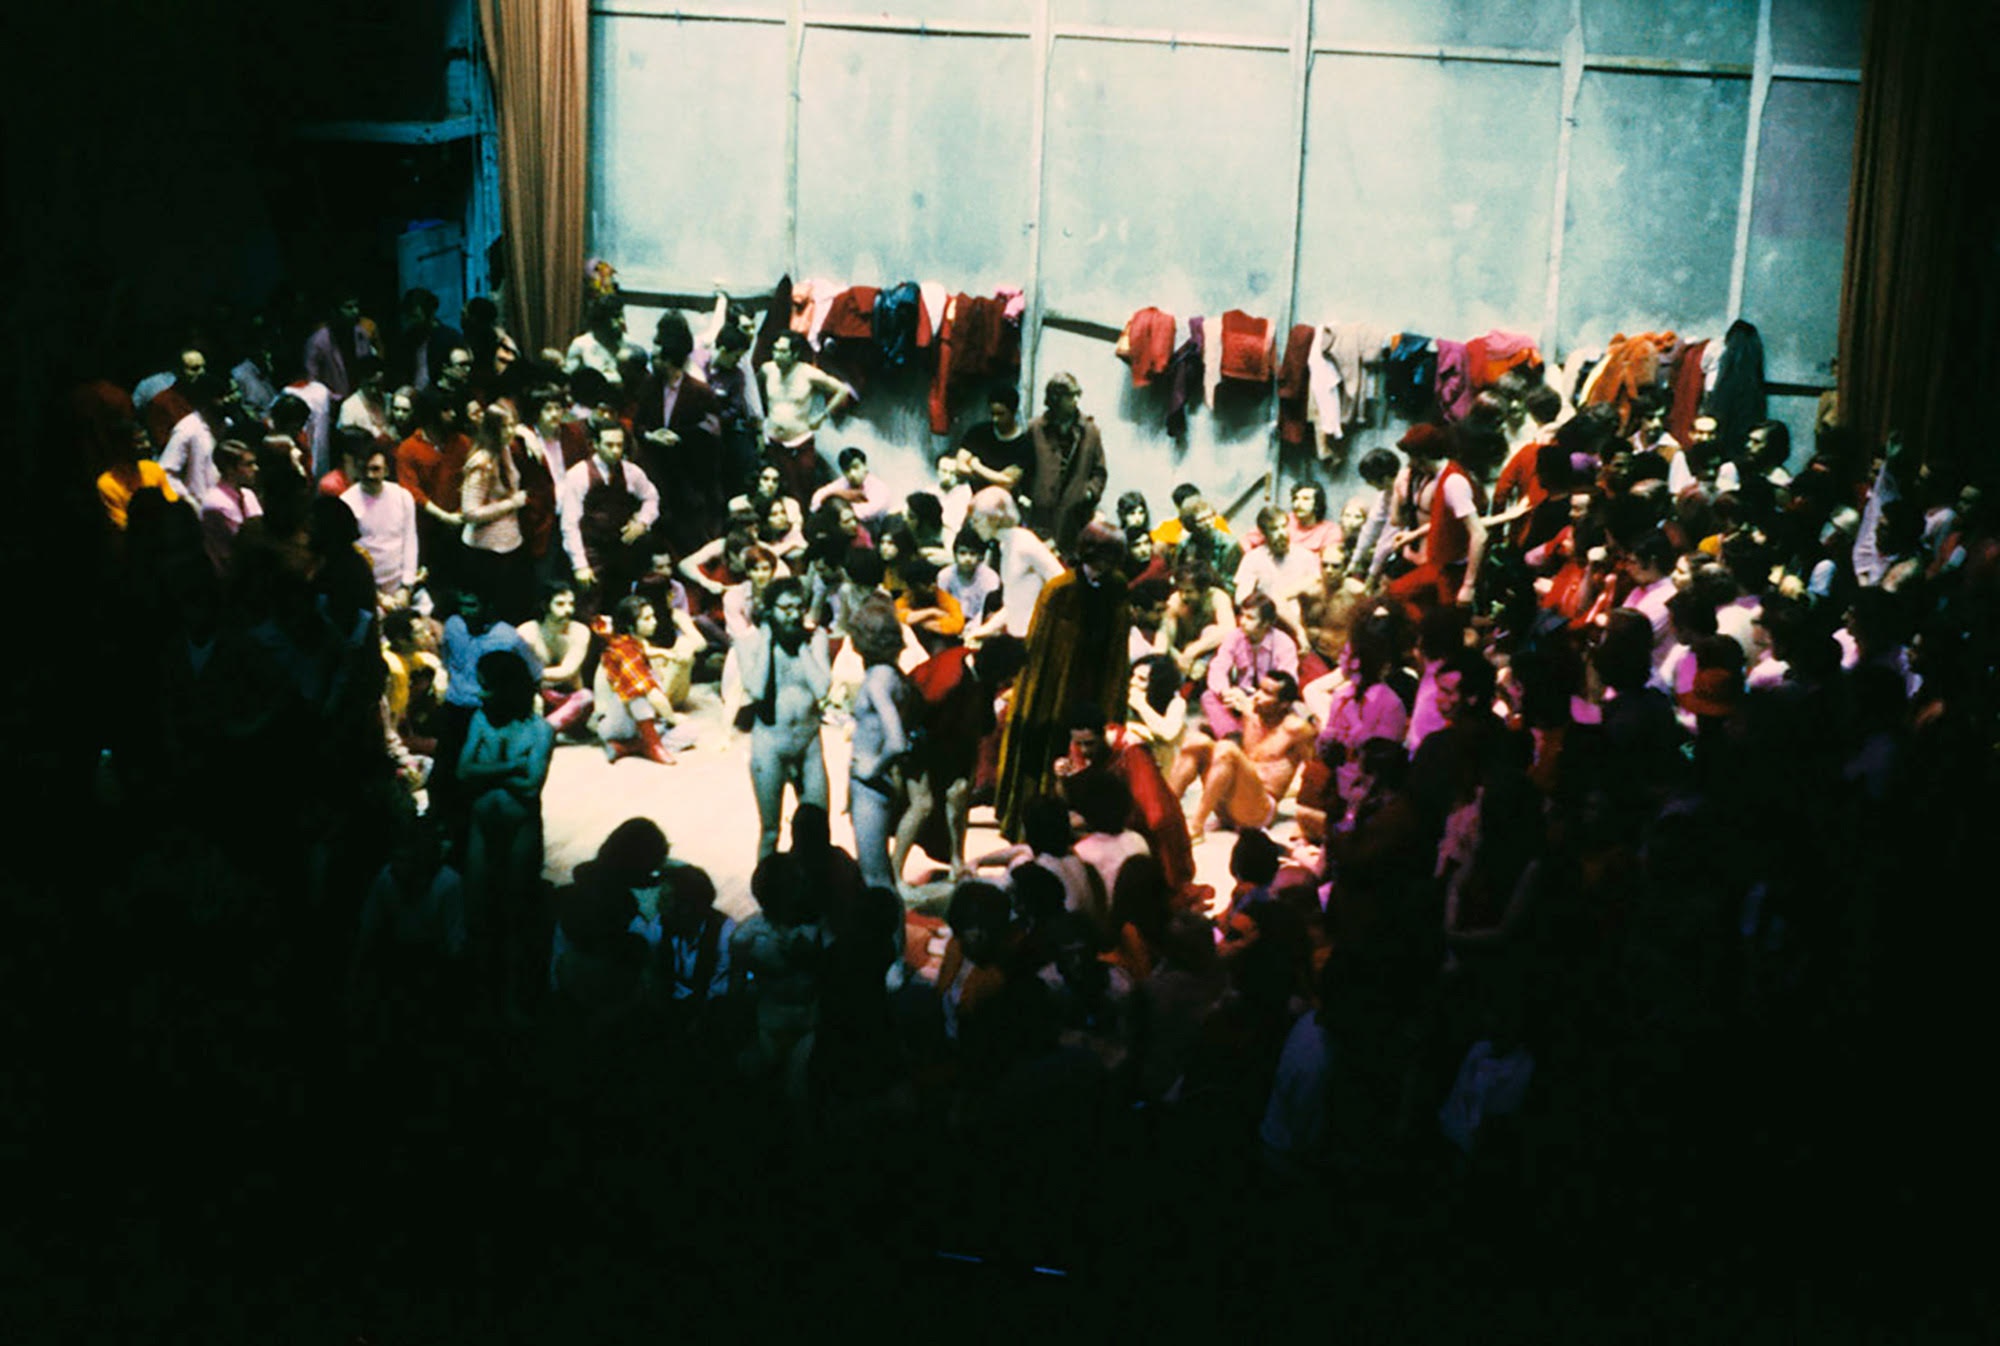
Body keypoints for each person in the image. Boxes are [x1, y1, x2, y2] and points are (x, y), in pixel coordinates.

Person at [995, 521, 1132, 841]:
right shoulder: (1060, 591)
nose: (1103, 569)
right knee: (1048, 750)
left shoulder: (1117, 588)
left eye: (1110, 562)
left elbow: (1117, 646)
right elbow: (1040, 651)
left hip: (1097, 684)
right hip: (1055, 691)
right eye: (1098, 560)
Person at [457, 649, 555, 1017]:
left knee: (516, 913)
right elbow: (463, 771)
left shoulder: (540, 730)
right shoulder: (481, 720)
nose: (480, 695)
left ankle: (515, 996)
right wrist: (512, 764)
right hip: (482, 828)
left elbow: (530, 787)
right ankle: (481, 995)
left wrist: (488, 769)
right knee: (478, 911)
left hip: (520, 831)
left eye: (487, 687)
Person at [736, 577, 832, 859]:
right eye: (785, 608)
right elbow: (755, 689)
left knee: (818, 829)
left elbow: (821, 688)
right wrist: (767, 641)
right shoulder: (750, 642)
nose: (793, 615)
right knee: (770, 831)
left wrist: (800, 646)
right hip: (770, 746)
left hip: (809, 745)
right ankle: (767, 885)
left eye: (798, 608)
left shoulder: (815, 639)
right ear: (769, 610)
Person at [1167, 670, 1315, 840]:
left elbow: (1314, 769)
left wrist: (1305, 821)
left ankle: (1196, 827)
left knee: (1226, 748)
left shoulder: (1297, 729)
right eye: (1259, 689)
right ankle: (1165, 814)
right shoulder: (1251, 711)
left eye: (1267, 693)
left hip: (1258, 810)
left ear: (1284, 705)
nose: (1257, 696)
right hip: (1228, 804)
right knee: (1196, 741)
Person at [846, 595, 914, 892]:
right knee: (880, 873)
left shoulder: (877, 680)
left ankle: (888, 925)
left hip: (871, 784)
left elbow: (897, 742)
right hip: (881, 781)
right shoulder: (894, 675)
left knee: (875, 879)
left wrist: (871, 768)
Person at [560, 417, 661, 609]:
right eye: (609, 445)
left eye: (619, 445)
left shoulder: (632, 472)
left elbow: (652, 498)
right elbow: (569, 524)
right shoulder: (578, 475)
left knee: (620, 604)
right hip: (590, 550)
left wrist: (642, 523)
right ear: (595, 445)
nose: (615, 450)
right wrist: (580, 564)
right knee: (588, 606)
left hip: (621, 550)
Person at [760, 331, 852, 506]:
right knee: (774, 492)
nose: (777, 355)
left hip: (800, 441)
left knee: (802, 491)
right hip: (774, 441)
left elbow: (842, 390)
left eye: (783, 351)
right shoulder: (767, 370)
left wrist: (822, 416)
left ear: (795, 354)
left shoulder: (809, 374)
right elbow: (756, 395)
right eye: (775, 350)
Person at [592, 594, 684, 764]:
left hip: (638, 721)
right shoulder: (623, 650)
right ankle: (653, 745)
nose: (654, 622)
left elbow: (644, 651)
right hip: (615, 723)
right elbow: (651, 694)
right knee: (639, 694)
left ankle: (630, 747)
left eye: (653, 616)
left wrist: (662, 652)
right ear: (630, 625)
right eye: (647, 619)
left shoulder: (634, 642)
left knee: (690, 732)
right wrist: (672, 718)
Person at [964, 486, 1063, 642]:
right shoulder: (1005, 546)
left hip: (1035, 637)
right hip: (1017, 636)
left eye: (976, 520)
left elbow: (1061, 582)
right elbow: (1013, 603)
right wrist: (984, 630)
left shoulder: (1025, 542)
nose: (974, 526)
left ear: (994, 519)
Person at [1023, 371, 1107, 553]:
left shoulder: (1089, 431)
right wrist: (1034, 494)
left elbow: (1099, 471)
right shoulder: (1035, 429)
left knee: (1070, 560)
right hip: (1041, 515)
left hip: (1074, 517)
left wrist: (1087, 493)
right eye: (1070, 396)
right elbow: (1024, 466)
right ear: (1055, 398)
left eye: (1077, 395)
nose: (1076, 400)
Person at [1202, 593, 1300, 740]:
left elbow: (1287, 684)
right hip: (1240, 694)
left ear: (1266, 623)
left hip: (1268, 698)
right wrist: (1226, 692)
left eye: (1250, 618)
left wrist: (1254, 700)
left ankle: (1258, 734)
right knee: (1208, 696)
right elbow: (1218, 668)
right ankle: (1233, 737)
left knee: (1289, 709)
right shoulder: (1234, 637)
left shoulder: (1284, 643)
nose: (1242, 621)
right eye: (1242, 615)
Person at [340, 444, 420, 606]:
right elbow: (346, 553)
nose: (370, 475)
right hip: (364, 588)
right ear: (357, 470)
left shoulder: (403, 497)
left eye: (375, 469)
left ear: (386, 471)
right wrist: (378, 597)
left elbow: (410, 541)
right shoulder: (345, 502)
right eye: (364, 469)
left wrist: (406, 586)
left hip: (399, 587)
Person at [517, 581, 593, 737]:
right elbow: (518, 674)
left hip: (569, 698)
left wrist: (533, 673)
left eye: (571, 604)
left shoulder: (580, 631)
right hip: (537, 695)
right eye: (560, 604)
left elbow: (568, 671)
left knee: (586, 697)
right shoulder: (528, 631)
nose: (568, 610)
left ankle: (541, 732)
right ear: (545, 605)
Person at [953, 384, 1033, 497]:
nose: (996, 419)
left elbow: (1008, 482)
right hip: (975, 498)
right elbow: (961, 466)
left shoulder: (1024, 444)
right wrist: (995, 477)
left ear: (1013, 412)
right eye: (993, 414)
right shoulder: (977, 433)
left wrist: (975, 465)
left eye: (1001, 414)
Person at [199, 438, 261, 575]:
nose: (255, 468)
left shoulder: (248, 495)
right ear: (230, 469)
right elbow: (242, 544)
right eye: (248, 465)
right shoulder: (215, 504)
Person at [809, 446, 895, 535]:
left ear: (865, 466)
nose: (852, 474)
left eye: (856, 467)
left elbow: (865, 514)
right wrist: (839, 493)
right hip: (849, 529)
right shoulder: (844, 482)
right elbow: (815, 502)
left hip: (878, 531)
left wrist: (841, 507)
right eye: (847, 470)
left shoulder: (880, 488)